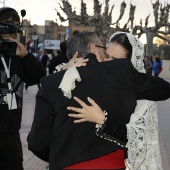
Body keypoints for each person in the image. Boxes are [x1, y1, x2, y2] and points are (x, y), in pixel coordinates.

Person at [27, 31, 170, 170]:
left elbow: (36, 143)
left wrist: (61, 157)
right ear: (94, 48)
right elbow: (164, 89)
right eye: (106, 52)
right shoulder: (123, 74)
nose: (108, 60)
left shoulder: (50, 82)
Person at [67, 32, 164, 169]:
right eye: (107, 56)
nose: (107, 62)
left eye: (115, 59)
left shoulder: (141, 94)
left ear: (130, 64)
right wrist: (65, 71)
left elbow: (138, 141)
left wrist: (103, 120)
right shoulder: (98, 79)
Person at [0, 7, 46, 170]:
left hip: (12, 133)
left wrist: (27, 56)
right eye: (5, 25)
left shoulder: (20, 56)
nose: (10, 30)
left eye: (14, 26)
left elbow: (39, 77)